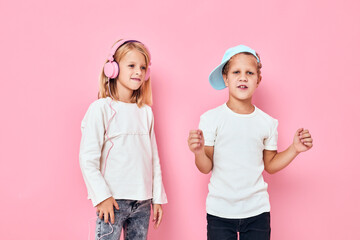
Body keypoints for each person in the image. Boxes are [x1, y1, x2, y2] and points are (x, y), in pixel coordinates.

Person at [187, 45, 313, 240]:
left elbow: (270, 165)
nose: (243, 77)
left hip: (257, 211)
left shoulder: (268, 123)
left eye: (249, 72)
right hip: (220, 212)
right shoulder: (210, 119)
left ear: (258, 80)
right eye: (236, 72)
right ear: (225, 78)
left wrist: (294, 149)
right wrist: (198, 152)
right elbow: (206, 167)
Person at [80, 39, 167, 240]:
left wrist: (157, 198)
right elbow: (88, 159)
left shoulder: (146, 112)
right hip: (112, 201)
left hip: (143, 202)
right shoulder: (100, 109)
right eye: (132, 66)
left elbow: (153, 159)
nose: (138, 71)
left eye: (143, 67)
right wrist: (102, 197)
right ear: (113, 69)